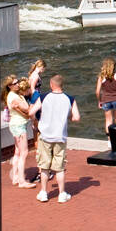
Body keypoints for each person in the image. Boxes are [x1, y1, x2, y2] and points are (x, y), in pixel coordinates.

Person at [35, 75, 81, 203]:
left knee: (44, 166)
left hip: (45, 136)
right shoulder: (69, 99)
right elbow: (76, 117)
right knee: (59, 167)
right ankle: (61, 194)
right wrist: (68, 115)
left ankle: (43, 192)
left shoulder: (43, 97)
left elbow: (31, 111)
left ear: (51, 85)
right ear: (62, 85)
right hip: (60, 136)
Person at [6, 77, 36, 188]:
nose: (18, 84)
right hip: (19, 126)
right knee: (24, 152)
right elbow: (27, 109)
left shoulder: (13, 95)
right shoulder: (14, 97)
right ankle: (22, 181)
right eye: (15, 83)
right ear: (10, 86)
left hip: (16, 125)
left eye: (18, 81)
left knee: (17, 152)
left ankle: (15, 177)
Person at [95, 57, 116, 131]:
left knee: (108, 121)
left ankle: (110, 140)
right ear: (114, 66)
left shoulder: (101, 77)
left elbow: (97, 91)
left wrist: (99, 101)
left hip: (106, 100)